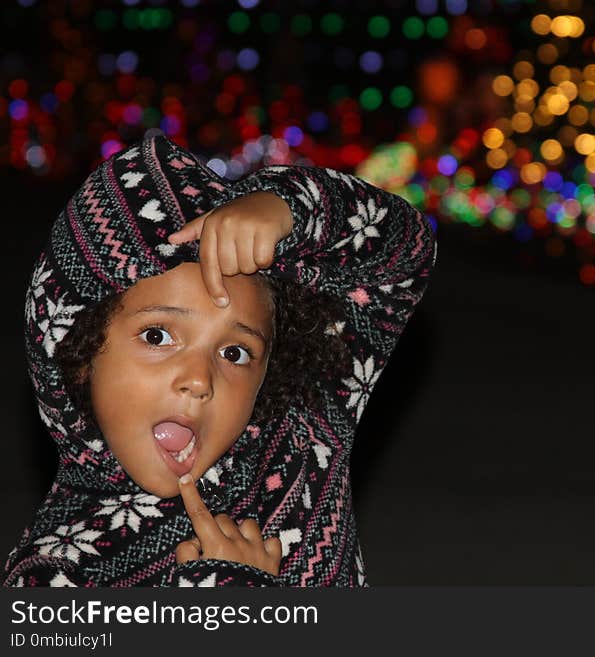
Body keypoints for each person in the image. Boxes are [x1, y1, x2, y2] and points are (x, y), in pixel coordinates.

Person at [3, 132, 437, 586]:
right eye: (158, 335)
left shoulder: (301, 438)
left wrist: (287, 206)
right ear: (77, 345)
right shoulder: (56, 572)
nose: (199, 379)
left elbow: (402, 256)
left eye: (235, 352)